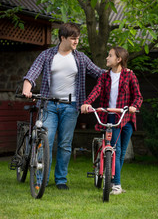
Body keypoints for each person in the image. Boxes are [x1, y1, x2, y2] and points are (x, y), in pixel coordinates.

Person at [22, 22, 104, 190]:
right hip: (49, 105)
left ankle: (61, 180)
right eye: (73, 39)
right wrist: (27, 87)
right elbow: (32, 73)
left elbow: (98, 73)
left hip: (71, 106)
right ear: (63, 38)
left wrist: (120, 72)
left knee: (65, 145)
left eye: (78, 39)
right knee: (45, 142)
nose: (76, 42)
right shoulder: (47, 55)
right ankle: (40, 179)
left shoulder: (80, 58)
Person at [81, 46, 143, 195]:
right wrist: (87, 102)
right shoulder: (104, 76)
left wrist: (134, 106)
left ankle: (112, 178)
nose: (107, 58)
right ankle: (116, 184)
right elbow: (96, 90)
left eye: (110, 56)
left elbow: (138, 96)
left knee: (121, 153)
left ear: (119, 59)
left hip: (126, 117)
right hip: (111, 117)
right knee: (115, 149)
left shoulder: (129, 76)